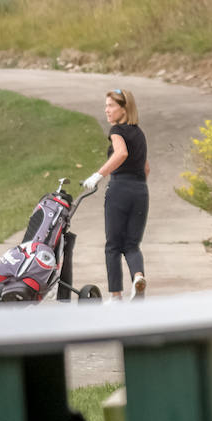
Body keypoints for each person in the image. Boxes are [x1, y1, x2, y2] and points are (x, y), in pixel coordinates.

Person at [81, 88, 150, 301]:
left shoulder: (117, 131)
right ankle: (138, 278)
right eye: (106, 106)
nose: (107, 110)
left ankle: (116, 296)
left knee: (112, 246)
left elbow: (121, 153)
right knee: (131, 245)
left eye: (111, 106)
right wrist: (136, 186)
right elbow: (146, 168)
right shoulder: (139, 134)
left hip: (120, 189)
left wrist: (98, 175)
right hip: (140, 191)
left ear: (124, 108)